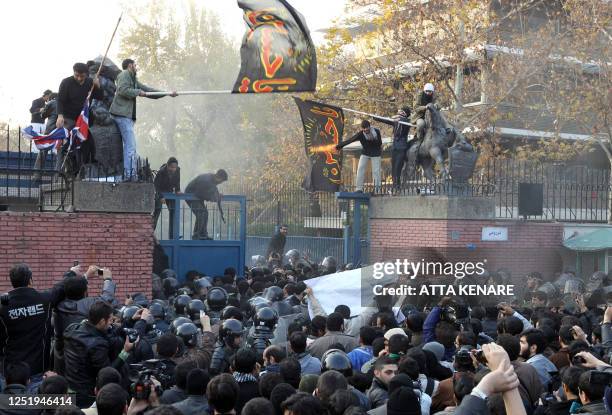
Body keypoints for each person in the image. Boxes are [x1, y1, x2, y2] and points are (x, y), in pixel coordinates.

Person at [0, 263, 66, 393]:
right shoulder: (44, 299)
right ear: (30, 280)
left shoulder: (3, 305)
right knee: (35, 408)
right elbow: (60, 288)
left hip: (10, 372)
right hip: (36, 371)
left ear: (12, 281)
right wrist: (73, 273)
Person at [109, 58, 177, 180]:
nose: (137, 67)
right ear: (130, 66)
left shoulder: (133, 79)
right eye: (135, 65)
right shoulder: (124, 74)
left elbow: (148, 90)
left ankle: (130, 174)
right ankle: (129, 175)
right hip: (122, 115)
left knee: (131, 146)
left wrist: (167, 93)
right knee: (130, 146)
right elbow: (122, 90)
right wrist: (138, 92)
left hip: (126, 117)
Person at [62, 300, 137, 407]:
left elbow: (103, 333)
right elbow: (107, 373)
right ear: (102, 321)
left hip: (70, 386)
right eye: (111, 320)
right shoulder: (97, 345)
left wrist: (130, 321)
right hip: (86, 395)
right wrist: (125, 352)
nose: (112, 323)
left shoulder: (72, 329)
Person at [54, 266, 116, 375]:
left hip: (62, 355)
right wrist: (107, 280)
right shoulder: (88, 304)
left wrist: (86, 276)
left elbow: (71, 286)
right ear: (85, 292)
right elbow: (106, 299)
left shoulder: (58, 305)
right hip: (82, 357)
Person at [336, 120, 382, 193]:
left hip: (376, 153)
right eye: (364, 129)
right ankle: (359, 189)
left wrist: (374, 139)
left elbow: (380, 143)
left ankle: (377, 190)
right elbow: (350, 140)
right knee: (360, 169)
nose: (365, 130)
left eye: (367, 128)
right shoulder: (361, 134)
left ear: (369, 127)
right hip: (365, 153)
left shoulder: (376, 132)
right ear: (362, 129)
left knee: (376, 171)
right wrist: (339, 146)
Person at [373, 106, 411, 192]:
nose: (400, 112)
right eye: (400, 111)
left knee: (398, 167)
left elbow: (403, 120)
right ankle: (395, 186)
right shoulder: (396, 121)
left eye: (402, 112)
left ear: (405, 114)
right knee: (393, 168)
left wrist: (397, 118)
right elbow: (385, 120)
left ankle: (398, 186)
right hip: (394, 147)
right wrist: (375, 117)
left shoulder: (407, 121)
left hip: (402, 148)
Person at [184, 169, 229, 240]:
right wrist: (210, 198)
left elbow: (214, 192)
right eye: (221, 181)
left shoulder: (213, 181)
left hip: (197, 197)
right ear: (218, 177)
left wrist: (217, 195)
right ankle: (196, 235)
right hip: (190, 196)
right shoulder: (206, 180)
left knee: (205, 213)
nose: (221, 183)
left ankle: (203, 234)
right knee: (201, 212)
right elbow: (199, 193)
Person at [153, 157, 181, 237]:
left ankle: (173, 235)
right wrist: (161, 197)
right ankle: (151, 233)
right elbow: (156, 185)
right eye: (172, 167)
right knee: (157, 211)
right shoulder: (161, 172)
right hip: (160, 192)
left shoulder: (178, 170)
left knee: (174, 211)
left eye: (175, 167)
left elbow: (178, 180)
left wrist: (178, 189)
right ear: (168, 166)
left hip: (170, 193)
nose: (173, 169)